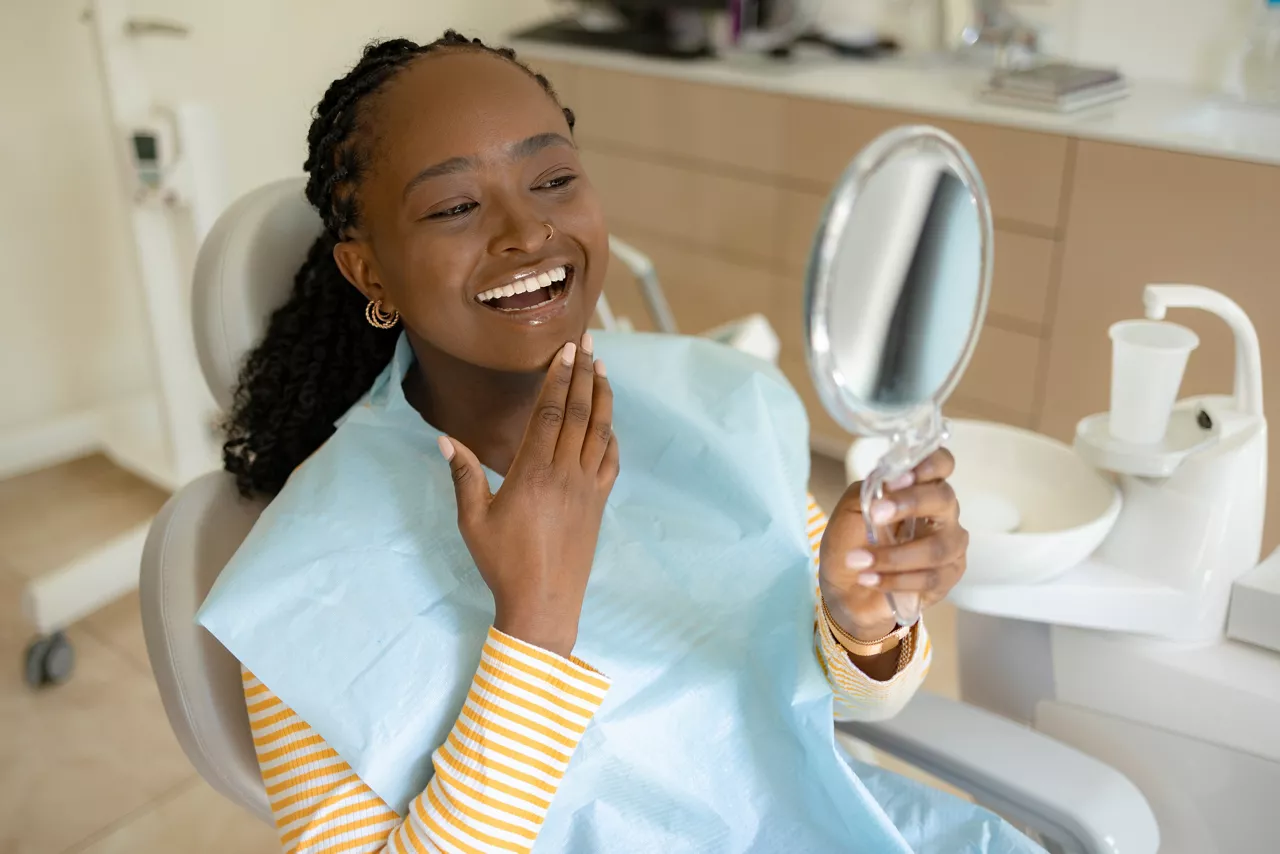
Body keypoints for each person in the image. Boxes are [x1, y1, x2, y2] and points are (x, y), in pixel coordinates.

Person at [199, 31, 1044, 854]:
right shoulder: (305, 582)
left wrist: (862, 615)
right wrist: (533, 624)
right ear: (369, 273)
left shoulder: (716, 407)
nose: (527, 233)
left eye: (554, 178)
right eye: (457, 206)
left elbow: (850, 702)